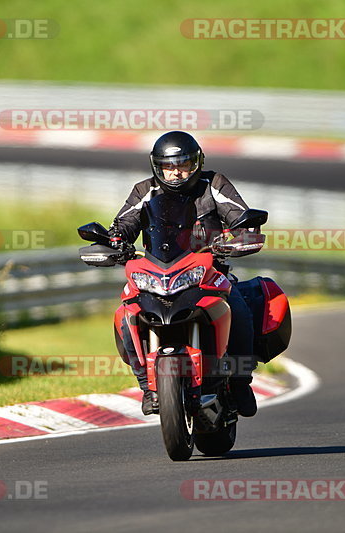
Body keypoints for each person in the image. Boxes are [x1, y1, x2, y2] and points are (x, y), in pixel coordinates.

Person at [110, 130, 258, 417]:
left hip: (209, 271)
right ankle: (146, 385)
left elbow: (240, 214)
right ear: (157, 166)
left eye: (183, 165)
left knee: (238, 308)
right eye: (168, 166)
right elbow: (124, 223)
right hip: (157, 274)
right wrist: (114, 240)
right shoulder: (145, 190)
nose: (176, 173)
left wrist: (243, 232)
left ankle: (241, 382)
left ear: (196, 163)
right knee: (125, 314)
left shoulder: (213, 184)